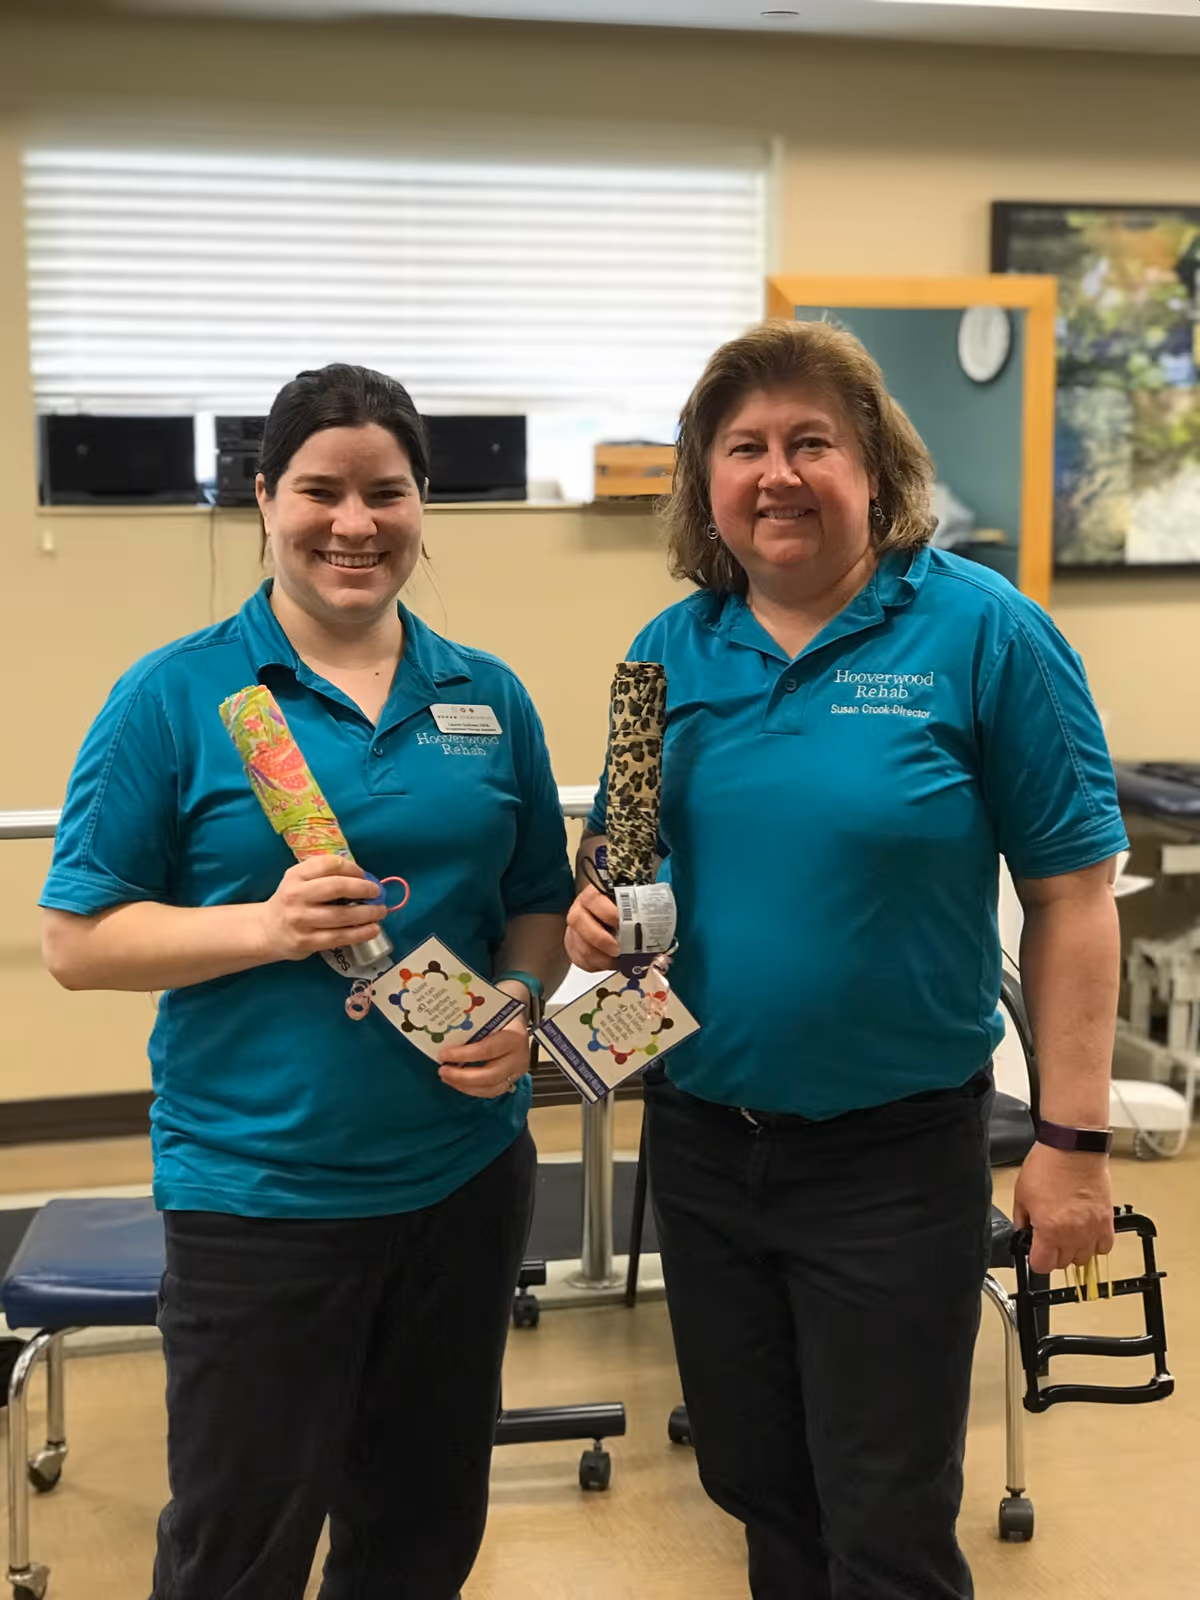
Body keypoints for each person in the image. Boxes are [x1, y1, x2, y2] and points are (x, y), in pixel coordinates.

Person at [566, 320, 1125, 1600]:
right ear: (704, 480)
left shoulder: (986, 635)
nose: (777, 473)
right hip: (705, 1141)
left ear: (874, 464)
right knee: (758, 1483)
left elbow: (1076, 898)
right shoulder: (667, 652)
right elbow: (624, 857)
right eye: (744, 446)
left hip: (892, 1156)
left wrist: (1073, 1139)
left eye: (810, 441)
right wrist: (599, 907)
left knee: (883, 1514)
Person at [41, 364, 571, 1600]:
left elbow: (538, 898)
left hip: (464, 1179)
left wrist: (519, 1003)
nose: (355, 523)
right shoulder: (176, 696)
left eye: (386, 492)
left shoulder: (485, 695)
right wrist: (262, 929)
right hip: (262, 1197)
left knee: (421, 1531)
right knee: (240, 1546)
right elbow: (77, 940)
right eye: (320, 491)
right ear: (266, 496)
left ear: (423, 504)